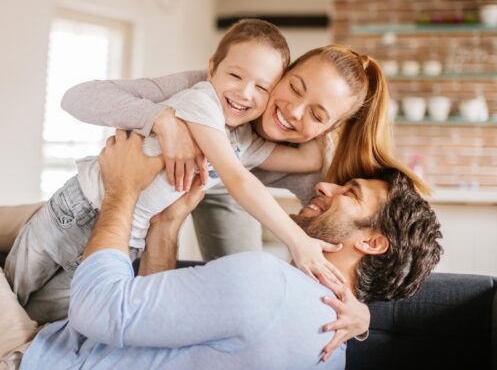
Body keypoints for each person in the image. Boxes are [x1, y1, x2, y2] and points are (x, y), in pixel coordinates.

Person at [6, 19, 350, 321]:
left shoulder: (246, 141)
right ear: (212, 68)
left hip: (124, 240)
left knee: (38, 318)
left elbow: (308, 161)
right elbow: (238, 179)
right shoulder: (200, 99)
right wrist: (297, 240)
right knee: (11, 289)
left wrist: (331, 130)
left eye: (261, 86)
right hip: (78, 210)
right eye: (234, 75)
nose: (246, 92)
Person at [12, 131, 441, 369]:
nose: (325, 186)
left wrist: (122, 188)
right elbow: (151, 325)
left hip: (31, 357)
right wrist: (168, 224)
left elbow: (98, 309)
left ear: (371, 242)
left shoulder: (266, 284)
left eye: (350, 192)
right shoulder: (332, 351)